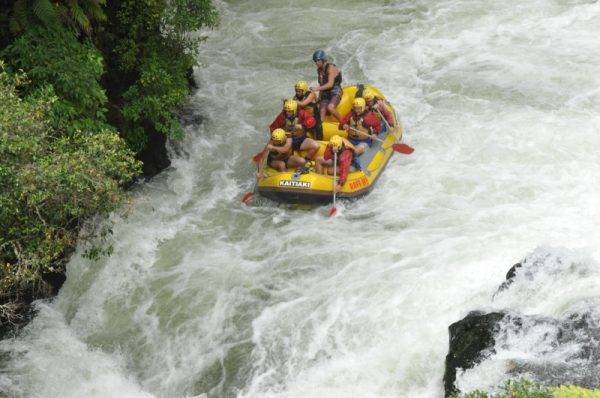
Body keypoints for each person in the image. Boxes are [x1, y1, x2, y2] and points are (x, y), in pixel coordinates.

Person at [310, 50, 342, 122]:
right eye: (315, 61)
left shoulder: (330, 68)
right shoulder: (319, 70)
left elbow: (330, 84)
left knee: (330, 108)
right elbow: (322, 84)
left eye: (318, 60)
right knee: (321, 115)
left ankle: (343, 123)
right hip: (325, 93)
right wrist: (319, 97)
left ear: (323, 59)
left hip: (335, 91)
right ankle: (321, 130)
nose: (316, 63)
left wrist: (316, 89)